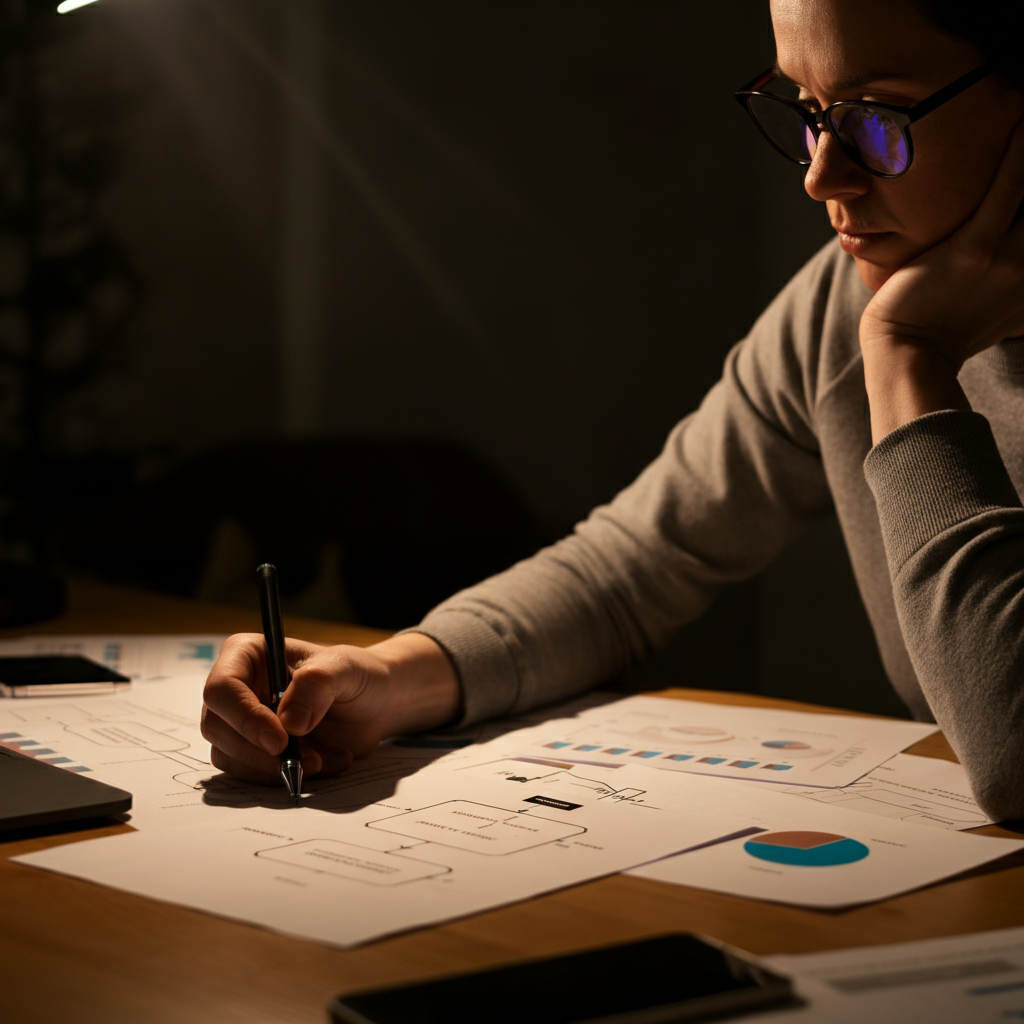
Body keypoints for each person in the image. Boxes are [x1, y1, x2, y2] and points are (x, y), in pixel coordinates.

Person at [202, 0, 1024, 820]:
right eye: (808, 114)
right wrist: (388, 679)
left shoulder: (887, 323)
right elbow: (628, 573)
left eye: (875, 121)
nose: (818, 177)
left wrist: (909, 359)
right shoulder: (837, 308)